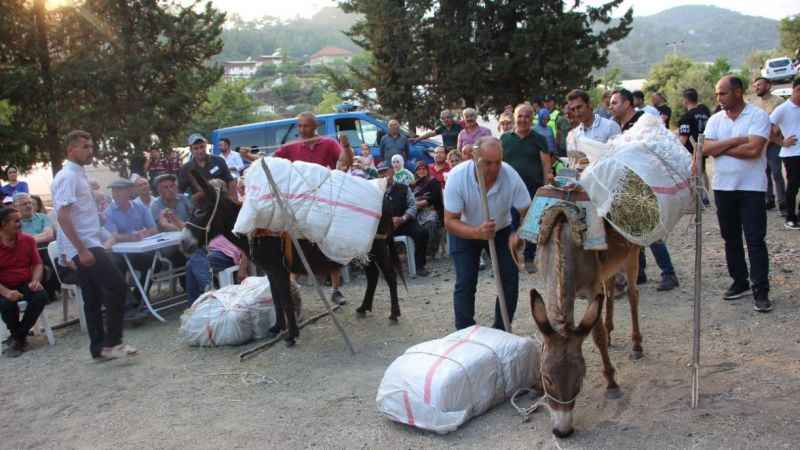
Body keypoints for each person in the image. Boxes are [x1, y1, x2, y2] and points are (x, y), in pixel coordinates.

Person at [51, 130, 138, 360]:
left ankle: (98, 348)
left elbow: (82, 215)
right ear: (71, 150)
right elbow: (63, 216)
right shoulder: (67, 176)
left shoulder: (79, 175)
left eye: (91, 146)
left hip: (90, 241)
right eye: (85, 147)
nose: (90, 150)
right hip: (85, 245)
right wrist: (79, 250)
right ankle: (113, 342)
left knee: (92, 296)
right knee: (117, 286)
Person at [444, 136, 531, 330]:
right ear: (476, 159)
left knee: (509, 279)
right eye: (488, 163)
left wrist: (519, 233)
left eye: (498, 162)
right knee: (466, 281)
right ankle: (465, 332)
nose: (494, 169)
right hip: (465, 231)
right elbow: (450, 222)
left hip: (500, 231)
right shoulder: (457, 177)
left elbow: (529, 212)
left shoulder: (510, 176)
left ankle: (502, 330)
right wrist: (476, 232)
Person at [703, 76, 772, 312]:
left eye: (723, 93)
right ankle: (740, 282)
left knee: (754, 240)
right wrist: (736, 140)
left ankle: (761, 290)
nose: (718, 98)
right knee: (730, 238)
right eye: (717, 94)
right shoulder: (714, 120)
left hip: (751, 188)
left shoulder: (758, 116)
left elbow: (754, 150)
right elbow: (706, 149)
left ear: (738, 92)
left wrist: (721, 147)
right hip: (723, 188)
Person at [610, 89, 680, 291]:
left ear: (627, 104)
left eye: (615, 102)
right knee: (633, 229)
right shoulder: (619, 126)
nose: (611, 106)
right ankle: (639, 271)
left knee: (650, 228)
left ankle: (668, 273)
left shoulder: (643, 122)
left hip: (648, 185)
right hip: (629, 184)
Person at [273, 111, 345, 303]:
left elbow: (343, 161)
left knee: (327, 242)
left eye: (305, 125)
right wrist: (251, 157)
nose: (302, 129)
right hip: (299, 203)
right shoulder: (291, 146)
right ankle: (292, 289)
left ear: (315, 127)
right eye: (299, 126)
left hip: (323, 201)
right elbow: (273, 162)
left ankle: (336, 289)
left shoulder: (329, 143)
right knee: (295, 244)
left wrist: (346, 149)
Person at [501, 103, 552, 272]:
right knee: (511, 223)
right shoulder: (504, 139)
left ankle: (529, 258)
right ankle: (512, 259)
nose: (523, 119)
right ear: (514, 117)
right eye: (520, 116)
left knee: (532, 223)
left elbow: (546, 165)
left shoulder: (539, 139)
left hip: (534, 188)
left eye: (527, 116)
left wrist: (546, 188)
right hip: (509, 189)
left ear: (532, 119)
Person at [0, 207, 48, 358]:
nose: (20, 224)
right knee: (6, 304)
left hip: (24, 282)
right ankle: (19, 338)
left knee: (41, 296)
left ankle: (18, 337)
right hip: (3, 286)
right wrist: (6, 292)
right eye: (16, 221)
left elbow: (38, 264)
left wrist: (35, 280)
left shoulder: (27, 240)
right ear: (3, 224)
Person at [378, 162, 430, 277]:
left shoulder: (403, 188)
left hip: (405, 222)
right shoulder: (376, 192)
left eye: (385, 171)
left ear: (392, 171)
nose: (383, 174)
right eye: (380, 172)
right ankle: (386, 268)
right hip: (386, 225)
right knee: (376, 239)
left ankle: (419, 265)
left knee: (422, 233)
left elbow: (412, 206)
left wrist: (403, 218)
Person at [748, 76, 787, 214]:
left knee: (776, 173)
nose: (756, 87)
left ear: (768, 86)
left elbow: (779, 124)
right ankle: (768, 200)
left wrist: (769, 141)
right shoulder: (754, 104)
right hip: (759, 143)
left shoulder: (778, 102)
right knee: (764, 172)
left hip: (774, 143)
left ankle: (783, 203)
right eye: (755, 85)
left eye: (759, 85)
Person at [768, 77, 800, 229]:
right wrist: (781, 142)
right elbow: (767, 129)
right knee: (793, 186)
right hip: (791, 153)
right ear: (794, 90)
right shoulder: (782, 109)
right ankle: (790, 217)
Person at [178, 133, 236, 204]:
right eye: (196, 148)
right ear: (191, 149)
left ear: (205, 145)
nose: (200, 151)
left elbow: (230, 181)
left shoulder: (218, 160)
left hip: (221, 203)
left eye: (202, 147)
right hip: (201, 208)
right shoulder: (186, 168)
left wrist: (233, 199)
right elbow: (180, 191)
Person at [678, 88, 712, 205]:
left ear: (685, 100)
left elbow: (683, 137)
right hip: (704, 145)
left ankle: (698, 198)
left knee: (693, 173)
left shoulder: (687, 116)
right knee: (702, 170)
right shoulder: (705, 112)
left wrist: (676, 151)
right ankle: (706, 196)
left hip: (691, 149)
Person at [413, 162, 444, 258]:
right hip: (417, 211)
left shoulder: (433, 181)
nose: (421, 171)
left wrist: (417, 203)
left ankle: (430, 251)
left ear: (427, 170)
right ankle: (417, 252)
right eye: (419, 169)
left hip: (432, 209)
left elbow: (433, 198)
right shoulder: (414, 184)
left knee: (430, 223)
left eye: (423, 169)